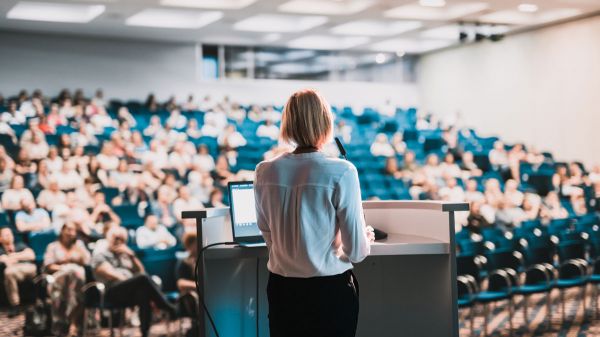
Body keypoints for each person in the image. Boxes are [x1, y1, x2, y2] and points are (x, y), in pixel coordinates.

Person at [254, 89, 374, 337]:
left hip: (282, 289)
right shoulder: (342, 171)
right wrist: (363, 237)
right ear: (325, 123)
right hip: (329, 292)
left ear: (288, 123)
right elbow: (357, 252)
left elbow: (267, 232)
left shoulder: (264, 171)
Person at [91, 227, 177, 337]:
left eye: (121, 239)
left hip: (128, 293)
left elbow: (142, 271)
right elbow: (110, 273)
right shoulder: (101, 254)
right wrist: (133, 281)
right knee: (141, 279)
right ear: (108, 238)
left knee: (144, 293)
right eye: (115, 238)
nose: (118, 241)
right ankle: (167, 306)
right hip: (111, 292)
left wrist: (131, 255)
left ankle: (145, 332)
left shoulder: (125, 255)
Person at [43, 223, 91, 335]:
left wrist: (78, 251)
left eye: (74, 230)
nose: (71, 233)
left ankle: (72, 324)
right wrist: (64, 268)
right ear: (62, 231)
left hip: (78, 281)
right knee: (68, 276)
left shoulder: (79, 245)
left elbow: (87, 261)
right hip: (59, 276)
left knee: (76, 277)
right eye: (68, 229)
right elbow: (49, 265)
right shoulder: (53, 246)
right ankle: (66, 324)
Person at [0, 227, 36, 317]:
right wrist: (21, 256)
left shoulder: (20, 245)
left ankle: (38, 301)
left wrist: (13, 256)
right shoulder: (1, 250)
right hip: (14, 272)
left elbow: (31, 255)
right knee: (9, 272)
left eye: (10, 234)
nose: (9, 236)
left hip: (28, 268)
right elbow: (5, 261)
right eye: (6, 234)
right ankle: (15, 305)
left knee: (10, 271)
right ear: (0, 238)